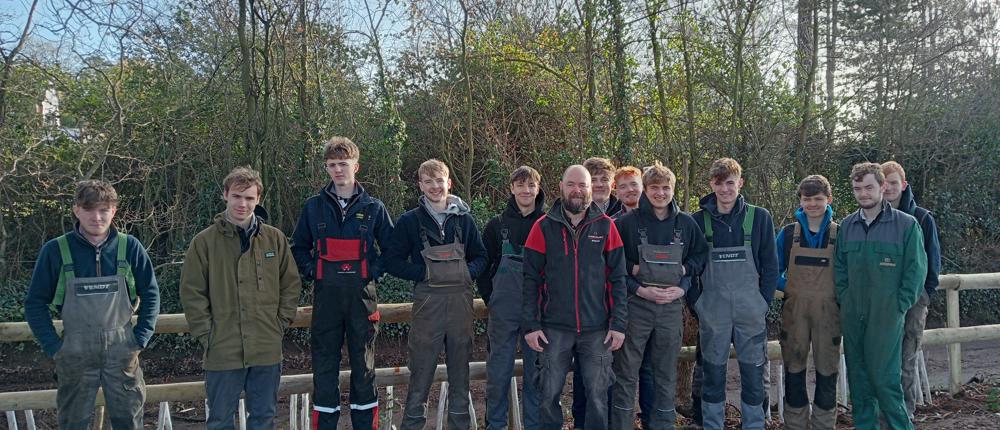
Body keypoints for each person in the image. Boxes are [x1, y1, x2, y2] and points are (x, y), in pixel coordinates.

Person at [25, 180, 160, 430]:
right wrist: (55, 347)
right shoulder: (55, 250)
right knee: (73, 423)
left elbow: (151, 294)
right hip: (74, 354)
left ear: (114, 211)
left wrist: (140, 339)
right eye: (88, 209)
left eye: (103, 210)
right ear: (76, 210)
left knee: (129, 421)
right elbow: (34, 304)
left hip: (122, 353)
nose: (96, 217)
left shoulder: (130, 246)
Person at [181, 167, 302, 430]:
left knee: (264, 419)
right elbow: (192, 293)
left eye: (249, 198)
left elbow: (290, 285)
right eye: (237, 196)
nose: (242, 204)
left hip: (266, 347)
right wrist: (207, 335)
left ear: (258, 199)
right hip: (222, 348)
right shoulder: (204, 242)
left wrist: (279, 324)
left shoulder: (275, 239)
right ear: (225, 195)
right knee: (220, 421)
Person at [290, 137, 394, 429]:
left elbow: (392, 249)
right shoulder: (314, 207)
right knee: (324, 368)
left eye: (343, 164)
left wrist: (371, 272)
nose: (338, 170)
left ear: (355, 166)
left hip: (362, 299)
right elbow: (298, 248)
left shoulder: (374, 208)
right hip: (326, 300)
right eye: (332, 165)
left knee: (364, 368)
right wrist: (314, 271)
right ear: (326, 168)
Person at [383, 159, 488, 430]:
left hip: (460, 308)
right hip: (427, 307)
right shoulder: (409, 221)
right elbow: (391, 261)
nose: (434, 186)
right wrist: (424, 273)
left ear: (449, 183)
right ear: (420, 185)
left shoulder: (464, 220)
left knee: (460, 376)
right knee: (420, 376)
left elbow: (481, 256)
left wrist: (466, 273)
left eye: (439, 180)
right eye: (428, 181)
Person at [522, 164, 628, 430]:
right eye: (571, 184)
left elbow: (618, 279)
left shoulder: (606, 227)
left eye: (583, 185)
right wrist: (531, 325)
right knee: (548, 396)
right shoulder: (542, 227)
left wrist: (618, 324)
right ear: (561, 187)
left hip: (597, 330)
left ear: (590, 188)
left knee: (598, 398)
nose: (577, 190)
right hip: (553, 329)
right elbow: (531, 280)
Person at [610, 162, 708, 429]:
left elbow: (700, 256)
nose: (660, 193)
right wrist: (638, 285)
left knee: (665, 375)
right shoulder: (626, 223)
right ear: (645, 190)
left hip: (671, 308)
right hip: (636, 307)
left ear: (673, 189)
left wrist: (683, 283)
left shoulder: (686, 223)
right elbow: (612, 261)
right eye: (654, 188)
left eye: (666, 188)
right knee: (625, 374)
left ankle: (662, 425)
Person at [835, 162, 927, 430]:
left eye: (868, 187)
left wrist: (898, 305)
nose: (863, 194)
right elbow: (839, 268)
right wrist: (846, 299)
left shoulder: (906, 225)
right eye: (857, 188)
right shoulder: (847, 226)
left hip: (886, 315)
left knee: (885, 381)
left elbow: (916, 271)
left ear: (882, 186)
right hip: (853, 314)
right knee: (859, 382)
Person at [691, 158, 778, 430]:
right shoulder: (697, 221)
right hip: (712, 312)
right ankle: (712, 425)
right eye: (719, 183)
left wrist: (762, 302)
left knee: (753, 375)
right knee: (712, 376)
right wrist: (697, 304)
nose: (725, 189)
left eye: (730, 183)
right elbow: (688, 268)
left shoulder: (759, 217)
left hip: (750, 311)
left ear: (740, 182)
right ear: (711, 184)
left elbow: (771, 266)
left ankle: (754, 425)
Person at [481, 166, 547, 430]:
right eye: (520, 185)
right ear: (511, 188)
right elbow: (482, 266)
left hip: (539, 314)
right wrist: (491, 299)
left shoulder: (549, 225)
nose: (526, 190)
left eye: (531, 185)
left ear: (538, 188)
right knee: (498, 374)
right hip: (503, 311)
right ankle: (495, 425)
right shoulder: (496, 226)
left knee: (537, 376)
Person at [775, 175, 841, 429]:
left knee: (827, 371)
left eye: (818, 199)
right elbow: (772, 271)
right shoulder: (788, 234)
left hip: (829, 313)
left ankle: (824, 424)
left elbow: (847, 275)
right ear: (800, 201)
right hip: (795, 312)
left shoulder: (840, 234)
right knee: (793, 370)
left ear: (829, 200)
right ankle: (795, 424)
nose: (812, 204)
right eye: (807, 199)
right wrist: (789, 287)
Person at [881, 161, 942, 420]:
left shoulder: (922, 218)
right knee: (883, 357)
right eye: (884, 183)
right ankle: (884, 414)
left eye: (893, 183)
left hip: (914, 300)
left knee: (907, 358)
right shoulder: (872, 218)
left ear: (903, 185)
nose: (888, 188)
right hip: (883, 299)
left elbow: (933, 260)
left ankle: (904, 414)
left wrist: (924, 294)